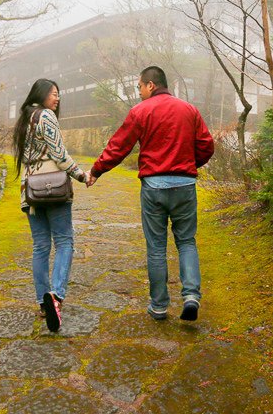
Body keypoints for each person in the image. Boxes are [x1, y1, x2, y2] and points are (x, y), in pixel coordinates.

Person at [87, 66, 214, 321]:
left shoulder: (140, 112)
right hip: (185, 185)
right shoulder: (189, 110)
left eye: (139, 87)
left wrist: (97, 170)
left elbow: (118, 146)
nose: (139, 92)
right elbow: (207, 145)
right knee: (186, 241)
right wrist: (188, 165)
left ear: (151, 85)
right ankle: (191, 297)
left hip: (154, 187)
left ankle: (159, 306)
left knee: (156, 247)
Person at [12, 78, 88, 333]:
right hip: (53, 187)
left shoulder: (24, 120)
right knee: (65, 241)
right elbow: (59, 153)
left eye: (58, 94)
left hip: (30, 189)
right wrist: (80, 174)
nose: (57, 99)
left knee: (41, 246)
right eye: (54, 94)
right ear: (42, 95)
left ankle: (43, 302)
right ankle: (56, 295)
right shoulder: (45, 116)